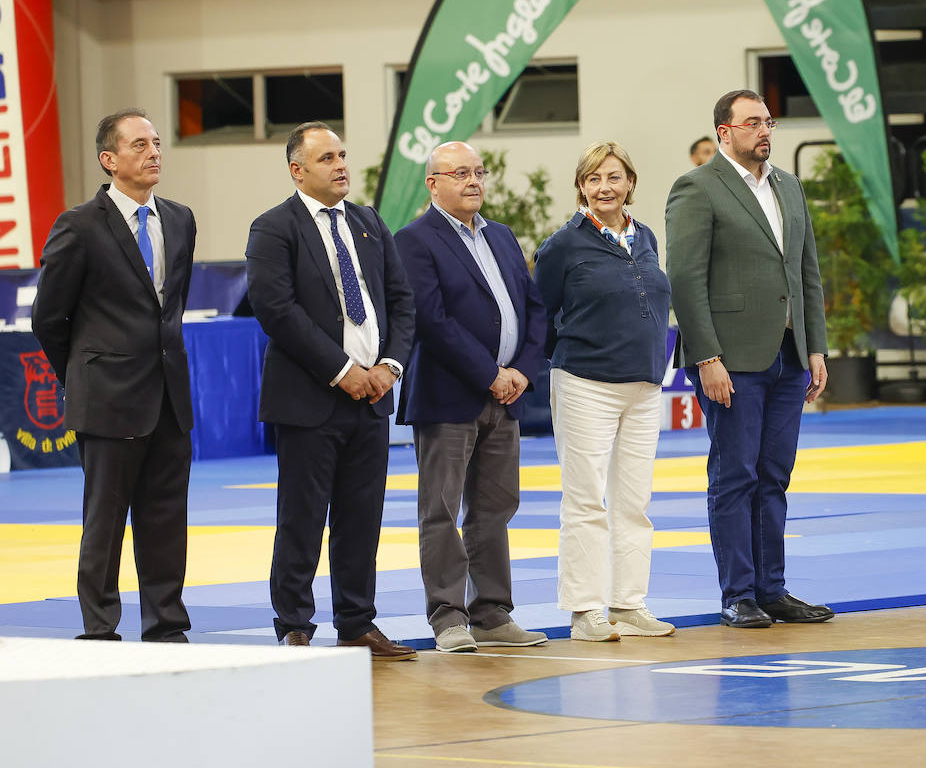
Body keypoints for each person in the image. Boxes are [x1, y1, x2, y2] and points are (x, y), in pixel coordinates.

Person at [245, 121, 417, 660]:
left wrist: (388, 366)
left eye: (343, 155)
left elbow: (401, 302)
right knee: (301, 516)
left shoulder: (368, 223)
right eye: (326, 159)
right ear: (298, 170)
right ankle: (294, 623)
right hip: (310, 397)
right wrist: (343, 370)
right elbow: (277, 311)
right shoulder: (274, 228)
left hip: (373, 396)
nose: (340, 166)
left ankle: (357, 621)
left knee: (362, 517)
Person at [665, 90, 832, 630]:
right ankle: (737, 593)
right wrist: (706, 355)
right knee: (734, 475)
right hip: (731, 357)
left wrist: (816, 346)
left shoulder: (789, 186)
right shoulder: (696, 187)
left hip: (788, 353)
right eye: (752, 123)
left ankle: (772, 589)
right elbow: (686, 280)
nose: (764, 131)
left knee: (774, 475)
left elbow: (806, 271)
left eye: (768, 122)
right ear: (724, 132)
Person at [32, 108, 196, 642]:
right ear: (110, 160)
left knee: (167, 517)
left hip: (169, 394)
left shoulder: (179, 218)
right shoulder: (78, 225)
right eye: (140, 144)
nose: (154, 152)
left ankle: (166, 622)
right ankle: (100, 626)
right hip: (107, 396)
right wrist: (85, 372)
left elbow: (169, 308)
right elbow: (48, 318)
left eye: (156, 143)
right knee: (104, 520)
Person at [395, 141, 548, 653]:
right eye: (459, 173)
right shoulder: (415, 240)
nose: (473, 181)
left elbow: (533, 310)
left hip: (507, 396)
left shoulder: (501, 236)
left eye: (478, 171)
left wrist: (522, 370)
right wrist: (490, 374)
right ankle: (448, 617)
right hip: (449, 395)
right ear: (433, 183)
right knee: (440, 509)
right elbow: (431, 322)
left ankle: (492, 613)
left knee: (495, 508)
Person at [533, 142, 675, 642]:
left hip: (643, 385)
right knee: (586, 500)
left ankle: (628, 603)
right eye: (594, 179)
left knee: (635, 501)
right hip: (584, 384)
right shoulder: (561, 246)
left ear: (630, 183)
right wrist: (574, 355)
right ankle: (585, 611)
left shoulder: (647, 238)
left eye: (613, 178)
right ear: (581, 188)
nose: (604, 187)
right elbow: (541, 316)